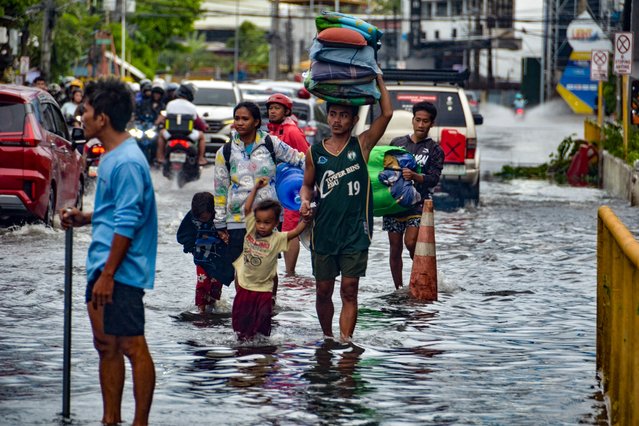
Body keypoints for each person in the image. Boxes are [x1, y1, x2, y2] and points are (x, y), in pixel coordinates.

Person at [59, 77, 157, 426]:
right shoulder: (115, 157)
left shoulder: (127, 161)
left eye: (84, 111)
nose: (80, 117)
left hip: (120, 272)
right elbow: (116, 211)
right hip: (104, 266)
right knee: (106, 347)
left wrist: (109, 275)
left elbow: (128, 222)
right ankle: (109, 419)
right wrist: (86, 217)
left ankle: (139, 422)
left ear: (102, 117)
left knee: (131, 346)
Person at [299, 74, 392, 343]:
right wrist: (305, 201)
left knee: (350, 290)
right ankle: (327, 338)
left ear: (353, 121)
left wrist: (379, 80)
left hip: (355, 231)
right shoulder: (315, 152)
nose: (337, 120)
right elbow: (307, 186)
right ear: (327, 118)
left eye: (343, 116)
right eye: (333, 114)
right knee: (323, 291)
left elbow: (387, 113)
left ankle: (345, 341)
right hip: (324, 231)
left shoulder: (361, 145)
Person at [213, 101, 306, 299]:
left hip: (268, 217)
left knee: (268, 264)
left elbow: (300, 159)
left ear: (256, 122)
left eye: (245, 119)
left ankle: (269, 306)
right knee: (242, 265)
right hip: (237, 219)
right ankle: (244, 306)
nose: (240, 123)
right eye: (237, 118)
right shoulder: (225, 152)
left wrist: (314, 181)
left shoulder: (271, 144)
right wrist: (220, 223)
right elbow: (220, 189)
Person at [232, 177, 307, 340]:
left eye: (267, 222)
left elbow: (295, 232)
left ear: (275, 223)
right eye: (259, 221)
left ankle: (263, 353)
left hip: (264, 291)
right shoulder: (251, 229)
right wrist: (255, 189)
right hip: (245, 287)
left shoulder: (277, 238)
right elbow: (247, 208)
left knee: (263, 327)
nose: (261, 225)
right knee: (241, 327)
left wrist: (306, 218)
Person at [382, 101, 444, 290]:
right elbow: (385, 169)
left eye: (425, 121)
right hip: (394, 204)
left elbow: (434, 178)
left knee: (411, 242)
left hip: (419, 205)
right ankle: (399, 288)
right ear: (413, 120)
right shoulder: (398, 143)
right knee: (394, 248)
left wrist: (417, 176)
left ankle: (423, 276)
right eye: (418, 120)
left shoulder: (435, 150)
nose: (421, 125)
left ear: (431, 124)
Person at [266, 93, 310, 276]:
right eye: (270, 108)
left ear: (286, 111)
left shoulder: (292, 131)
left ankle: (290, 273)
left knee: (290, 229)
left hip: (293, 188)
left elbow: (308, 157)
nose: (272, 111)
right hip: (277, 187)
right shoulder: (272, 131)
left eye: (277, 108)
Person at [177, 192, 233, 314]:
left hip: (220, 259)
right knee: (202, 283)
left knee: (216, 284)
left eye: (205, 217)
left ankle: (212, 306)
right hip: (202, 257)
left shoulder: (221, 217)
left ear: (212, 210)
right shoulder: (192, 217)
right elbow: (183, 234)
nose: (202, 219)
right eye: (200, 217)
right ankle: (201, 309)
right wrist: (191, 248)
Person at [155, 83, 208, 166]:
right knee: (201, 137)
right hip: (188, 135)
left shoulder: (170, 104)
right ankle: (201, 158)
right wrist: (204, 128)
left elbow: (166, 119)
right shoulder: (192, 107)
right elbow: (197, 122)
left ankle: (160, 157)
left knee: (161, 134)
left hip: (171, 134)